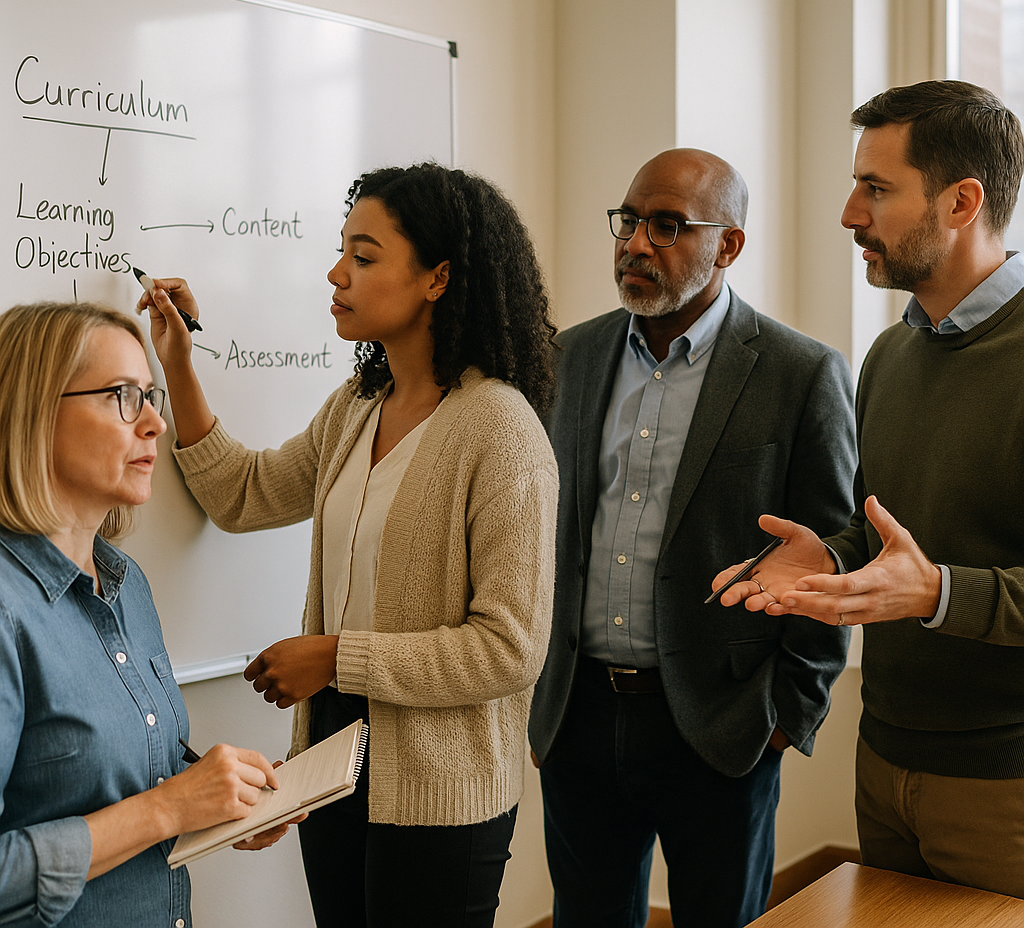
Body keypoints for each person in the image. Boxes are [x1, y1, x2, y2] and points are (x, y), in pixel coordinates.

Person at [141, 162, 559, 928]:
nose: (337, 273)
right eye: (343, 252)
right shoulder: (357, 407)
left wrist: (335, 657)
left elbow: (509, 648)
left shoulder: (500, 428)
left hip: (442, 793)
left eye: (364, 257)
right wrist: (175, 361)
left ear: (438, 278)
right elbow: (243, 492)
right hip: (331, 767)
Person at [528, 148, 857, 927]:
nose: (637, 243)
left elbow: (834, 554)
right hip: (578, 715)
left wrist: (785, 717)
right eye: (630, 221)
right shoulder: (567, 356)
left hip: (723, 723)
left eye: (668, 226)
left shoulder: (800, 372)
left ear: (728, 244)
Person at [712, 80, 1024, 897]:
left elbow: (925, 578)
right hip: (884, 758)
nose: (851, 214)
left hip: (1006, 781)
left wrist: (935, 595)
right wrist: (829, 556)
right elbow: (887, 534)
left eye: (876, 190)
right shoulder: (891, 354)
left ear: (962, 202)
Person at [0, 301, 285, 928]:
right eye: (123, 395)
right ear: (33, 413)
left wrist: (218, 793)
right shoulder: (6, 612)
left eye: (151, 395)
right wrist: (169, 808)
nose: (156, 422)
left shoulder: (129, 587)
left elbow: (121, 771)